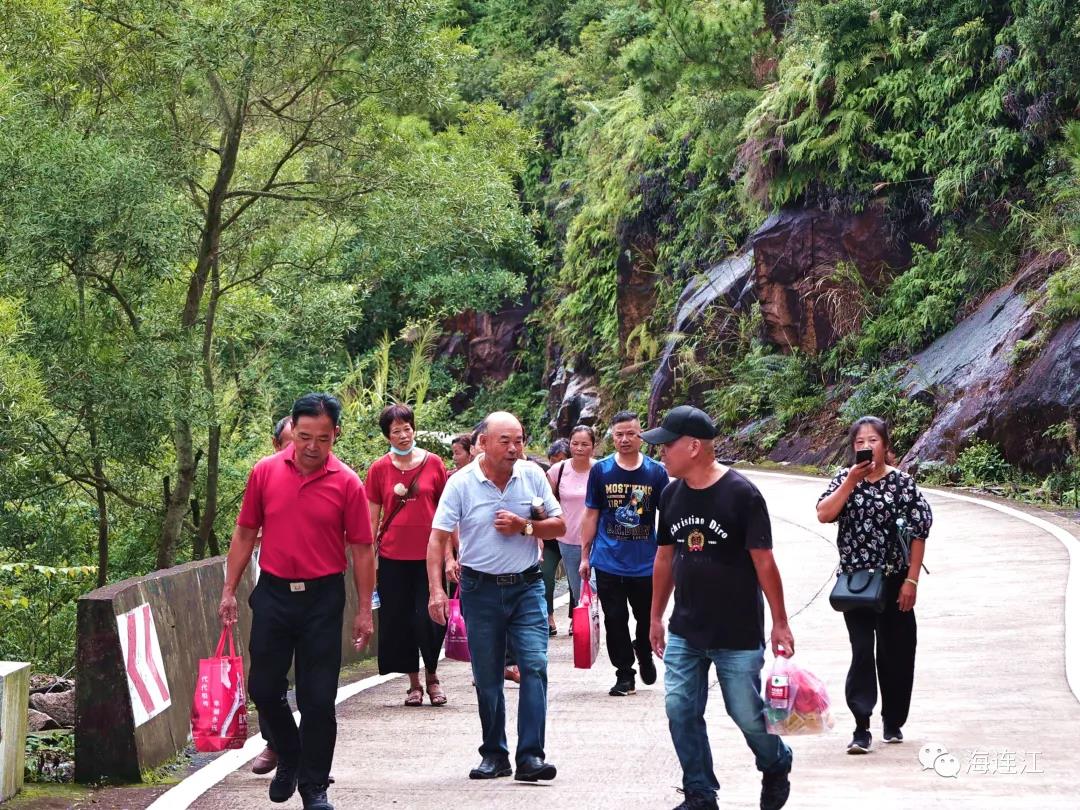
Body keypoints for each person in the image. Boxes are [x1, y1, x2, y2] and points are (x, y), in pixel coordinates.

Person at [218, 393, 375, 810]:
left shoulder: (347, 482)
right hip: (273, 593)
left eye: (322, 439)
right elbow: (245, 532)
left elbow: (362, 548)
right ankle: (289, 751)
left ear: (334, 435)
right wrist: (229, 589)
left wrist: (363, 610)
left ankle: (314, 787)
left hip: (323, 599)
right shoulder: (265, 472)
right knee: (264, 689)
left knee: (318, 699)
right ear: (292, 430)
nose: (311, 446)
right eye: (304, 436)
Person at [645, 405, 794, 810]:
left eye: (667, 446)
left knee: (745, 712)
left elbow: (764, 562)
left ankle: (775, 761)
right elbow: (664, 558)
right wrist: (655, 616)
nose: (661, 455)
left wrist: (780, 624)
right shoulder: (670, 494)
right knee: (679, 709)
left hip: (736, 631)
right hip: (686, 628)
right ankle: (700, 792)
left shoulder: (741, 495)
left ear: (693, 447)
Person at [426, 411, 565, 782]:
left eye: (518, 439)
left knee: (534, 666)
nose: (513, 448)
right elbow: (438, 538)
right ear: (482, 443)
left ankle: (532, 756)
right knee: (487, 675)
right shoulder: (461, 483)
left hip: (526, 587)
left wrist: (526, 526)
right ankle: (494, 754)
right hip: (478, 589)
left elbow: (559, 524)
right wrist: (437, 589)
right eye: (504, 441)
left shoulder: (532, 475)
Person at [816, 415, 931, 754]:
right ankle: (861, 726)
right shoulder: (843, 479)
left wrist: (911, 579)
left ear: (885, 444)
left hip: (895, 580)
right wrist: (850, 482)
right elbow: (823, 514)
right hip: (857, 582)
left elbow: (918, 531)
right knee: (863, 651)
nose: (865, 447)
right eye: (859, 443)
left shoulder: (903, 483)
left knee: (896, 652)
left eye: (872, 441)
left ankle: (892, 721)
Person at [579, 410, 669, 696]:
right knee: (614, 619)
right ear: (612, 437)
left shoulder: (656, 472)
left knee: (645, 618)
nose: (625, 439)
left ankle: (643, 649)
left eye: (631, 433)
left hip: (645, 563)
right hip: (608, 560)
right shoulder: (601, 471)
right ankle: (624, 674)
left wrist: (669, 556)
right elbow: (591, 515)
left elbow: (666, 517)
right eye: (619, 434)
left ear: (640, 435)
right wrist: (584, 556)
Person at [366, 404, 451, 706]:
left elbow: (446, 512)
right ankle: (413, 683)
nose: (403, 435)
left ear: (414, 429)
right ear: (386, 436)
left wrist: (451, 556)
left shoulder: (434, 463)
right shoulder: (378, 469)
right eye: (396, 431)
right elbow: (371, 517)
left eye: (407, 429)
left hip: (430, 557)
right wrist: (369, 558)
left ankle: (433, 676)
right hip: (392, 557)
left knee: (429, 617)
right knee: (399, 621)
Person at [250, 415, 295, 777]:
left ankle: (305, 758)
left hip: (317, 593)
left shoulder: (334, 477)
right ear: (277, 445)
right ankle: (276, 743)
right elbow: (246, 529)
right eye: (291, 442)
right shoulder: (265, 474)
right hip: (271, 584)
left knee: (316, 689)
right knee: (267, 679)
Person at [547, 425, 597, 635]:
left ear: (593, 447)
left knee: (595, 585)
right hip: (567, 538)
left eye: (585, 444)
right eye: (575, 443)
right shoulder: (558, 470)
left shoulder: (600, 470)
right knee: (578, 589)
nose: (579, 448)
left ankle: (593, 621)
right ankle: (585, 628)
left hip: (597, 539)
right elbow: (545, 501)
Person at [539, 438, 572, 635]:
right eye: (553, 459)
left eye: (562, 459)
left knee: (575, 579)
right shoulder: (544, 478)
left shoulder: (577, 475)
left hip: (573, 536)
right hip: (551, 538)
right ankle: (548, 616)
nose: (557, 463)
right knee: (545, 574)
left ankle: (575, 618)